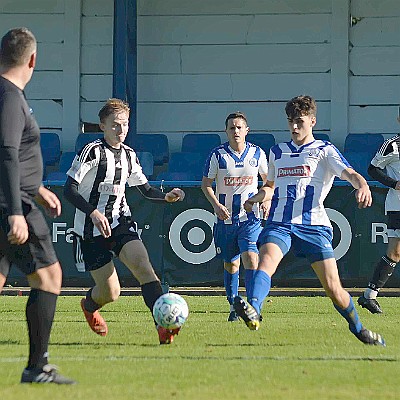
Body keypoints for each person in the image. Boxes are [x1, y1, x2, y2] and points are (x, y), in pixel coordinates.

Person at [233, 95, 385, 346]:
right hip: (279, 223)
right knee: (266, 261)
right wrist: (257, 197)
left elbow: (350, 173)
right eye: (291, 122)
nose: (294, 127)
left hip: (313, 226)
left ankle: (359, 329)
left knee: (334, 290)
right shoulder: (277, 152)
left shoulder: (324, 151)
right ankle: (254, 311)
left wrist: (363, 185)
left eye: (300, 122)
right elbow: (270, 186)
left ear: (312, 121)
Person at [64, 98, 185, 344]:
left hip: (120, 222)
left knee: (144, 269)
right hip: (90, 230)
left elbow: (146, 190)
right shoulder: (92, 151)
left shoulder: (130, 155)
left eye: (125, 125)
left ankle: (162, 327)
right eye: (115, 125)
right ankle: (89, 306)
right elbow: (69, 190)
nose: (121, 130)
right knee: (110, 293)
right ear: (102, 126)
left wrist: (167, 197)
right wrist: (93, 213)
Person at [0, 27, 76, 384]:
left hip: (17, 195)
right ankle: (37, 367)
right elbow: (7, 152)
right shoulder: (11, 97)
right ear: (32, 60)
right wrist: (17, 209)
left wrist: (38, 186)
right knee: (49, 277)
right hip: (11, 205)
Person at [202, 112, 268, 321]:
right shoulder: (218, 155)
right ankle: (233, 305)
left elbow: (268, 182)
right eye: (232, 128)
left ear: (247, 130)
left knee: (251, 257)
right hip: (226, 219)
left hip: (250, 218)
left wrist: (264, 200)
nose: (236, 131)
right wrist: (217, 205)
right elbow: (206, 184)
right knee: (231, 264)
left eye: (239, 127)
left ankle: (253, 305)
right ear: (226, 131)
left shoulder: (257, 154)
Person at [358, 121, 400, 314]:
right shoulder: (392, 145)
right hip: (397, 206)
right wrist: (394, 184)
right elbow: (373, 169)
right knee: (395, 253)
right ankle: (369, 296)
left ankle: (368, 296)